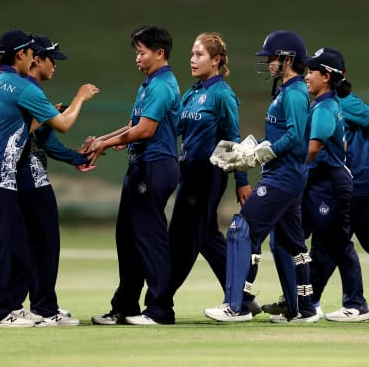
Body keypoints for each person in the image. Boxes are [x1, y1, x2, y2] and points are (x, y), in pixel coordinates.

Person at [0, 29, 99, 328]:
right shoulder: (23, 87)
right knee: (6, 242)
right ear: (22, 55)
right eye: (32, 54)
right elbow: (62, 125)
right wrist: (79, 97)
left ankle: (2, 305)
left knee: (5, 241)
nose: (35, 59)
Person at [204, 30, 318, 323]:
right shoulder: (287, 90)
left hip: (281, 177)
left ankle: (237, 305)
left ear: (288, 59)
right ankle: (304, 309)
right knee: (294, 244)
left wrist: (259, 155)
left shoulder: (294, 93)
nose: (268, 63)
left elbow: (294, 136)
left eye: (272, 57)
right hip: (287, 177)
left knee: (242, 229)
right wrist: (251, 149)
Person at [89, 25, 181, 325]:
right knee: (127, 238)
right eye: (136, 53)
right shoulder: (149, 84)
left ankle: (160, 309)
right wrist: (102, 139)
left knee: (149, 238)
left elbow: (145, 130)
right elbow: (133, 125)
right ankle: (125, 306)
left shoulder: (162, 85)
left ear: (160, 53)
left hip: (155, 166)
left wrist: (107, 143)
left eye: (141, 53)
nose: (137, 59)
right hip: (142, 165)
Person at [166, 32, 253, 310]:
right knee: (206, 237)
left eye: (199, 55)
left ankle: (160, 301)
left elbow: (233, 141)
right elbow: (175, 128)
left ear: (216, 60)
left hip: (209, 175)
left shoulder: (222, 95)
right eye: (192, 54)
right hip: (188, 174)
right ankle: (244, 298)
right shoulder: (193, 92)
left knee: (183, 238)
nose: (192, 60)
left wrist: (242, 181)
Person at [300, 48, 369, 322]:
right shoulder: (324, 102)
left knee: (332, 243)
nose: (307, 76)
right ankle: (309, 301)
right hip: (345, 180)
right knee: (332, 242)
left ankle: (350, 304)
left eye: (312, 70)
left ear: (328, 76)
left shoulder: (344, 102)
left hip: (357, 182)